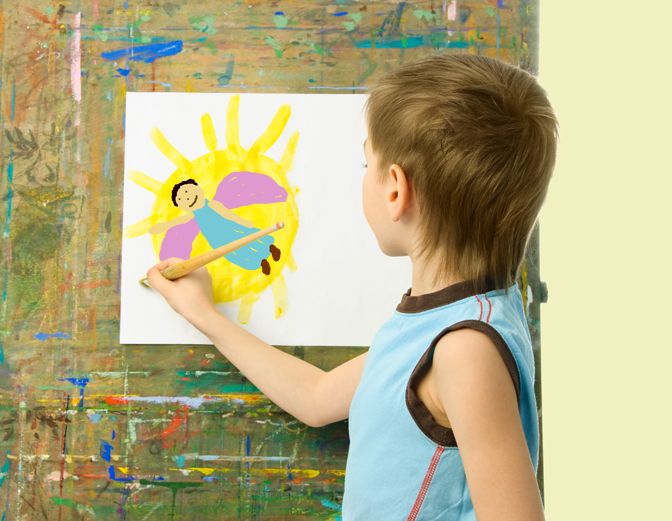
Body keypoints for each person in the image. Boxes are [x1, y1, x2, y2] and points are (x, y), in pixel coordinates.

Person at [146, 53, 557, 520]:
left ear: (396, 190)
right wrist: (203, 314)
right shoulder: (440, 322)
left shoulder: (465, 348)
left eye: (368, 164)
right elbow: (318, 399)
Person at [149, 178, 281, 275]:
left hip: (230, 228)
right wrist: (165, 225)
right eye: (182, 199)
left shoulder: (212, 204)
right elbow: (180, 220)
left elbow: (227, 214)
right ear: (181, 205)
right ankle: (259, 262)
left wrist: (242, 221)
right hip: (217, 240)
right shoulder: (193, 215)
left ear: (199, 190)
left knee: (249, 237)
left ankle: (270, 247)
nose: (188, 198)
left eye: (188, 192)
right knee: (235, 254)